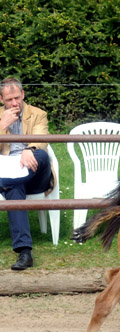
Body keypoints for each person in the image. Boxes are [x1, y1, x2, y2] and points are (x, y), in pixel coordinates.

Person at [0, 77, 55, 270]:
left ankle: (5, 181)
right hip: (11, 175)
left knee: (41, 154)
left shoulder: (38, 114)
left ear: (23, 94)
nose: (14, 103)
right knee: (12, 186)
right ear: (1, 100)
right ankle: (25, 253)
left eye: (17, 98)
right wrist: (1, 126)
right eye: (9, 100)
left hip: (35, 172)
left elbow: (41, 139)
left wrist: (28, 148)